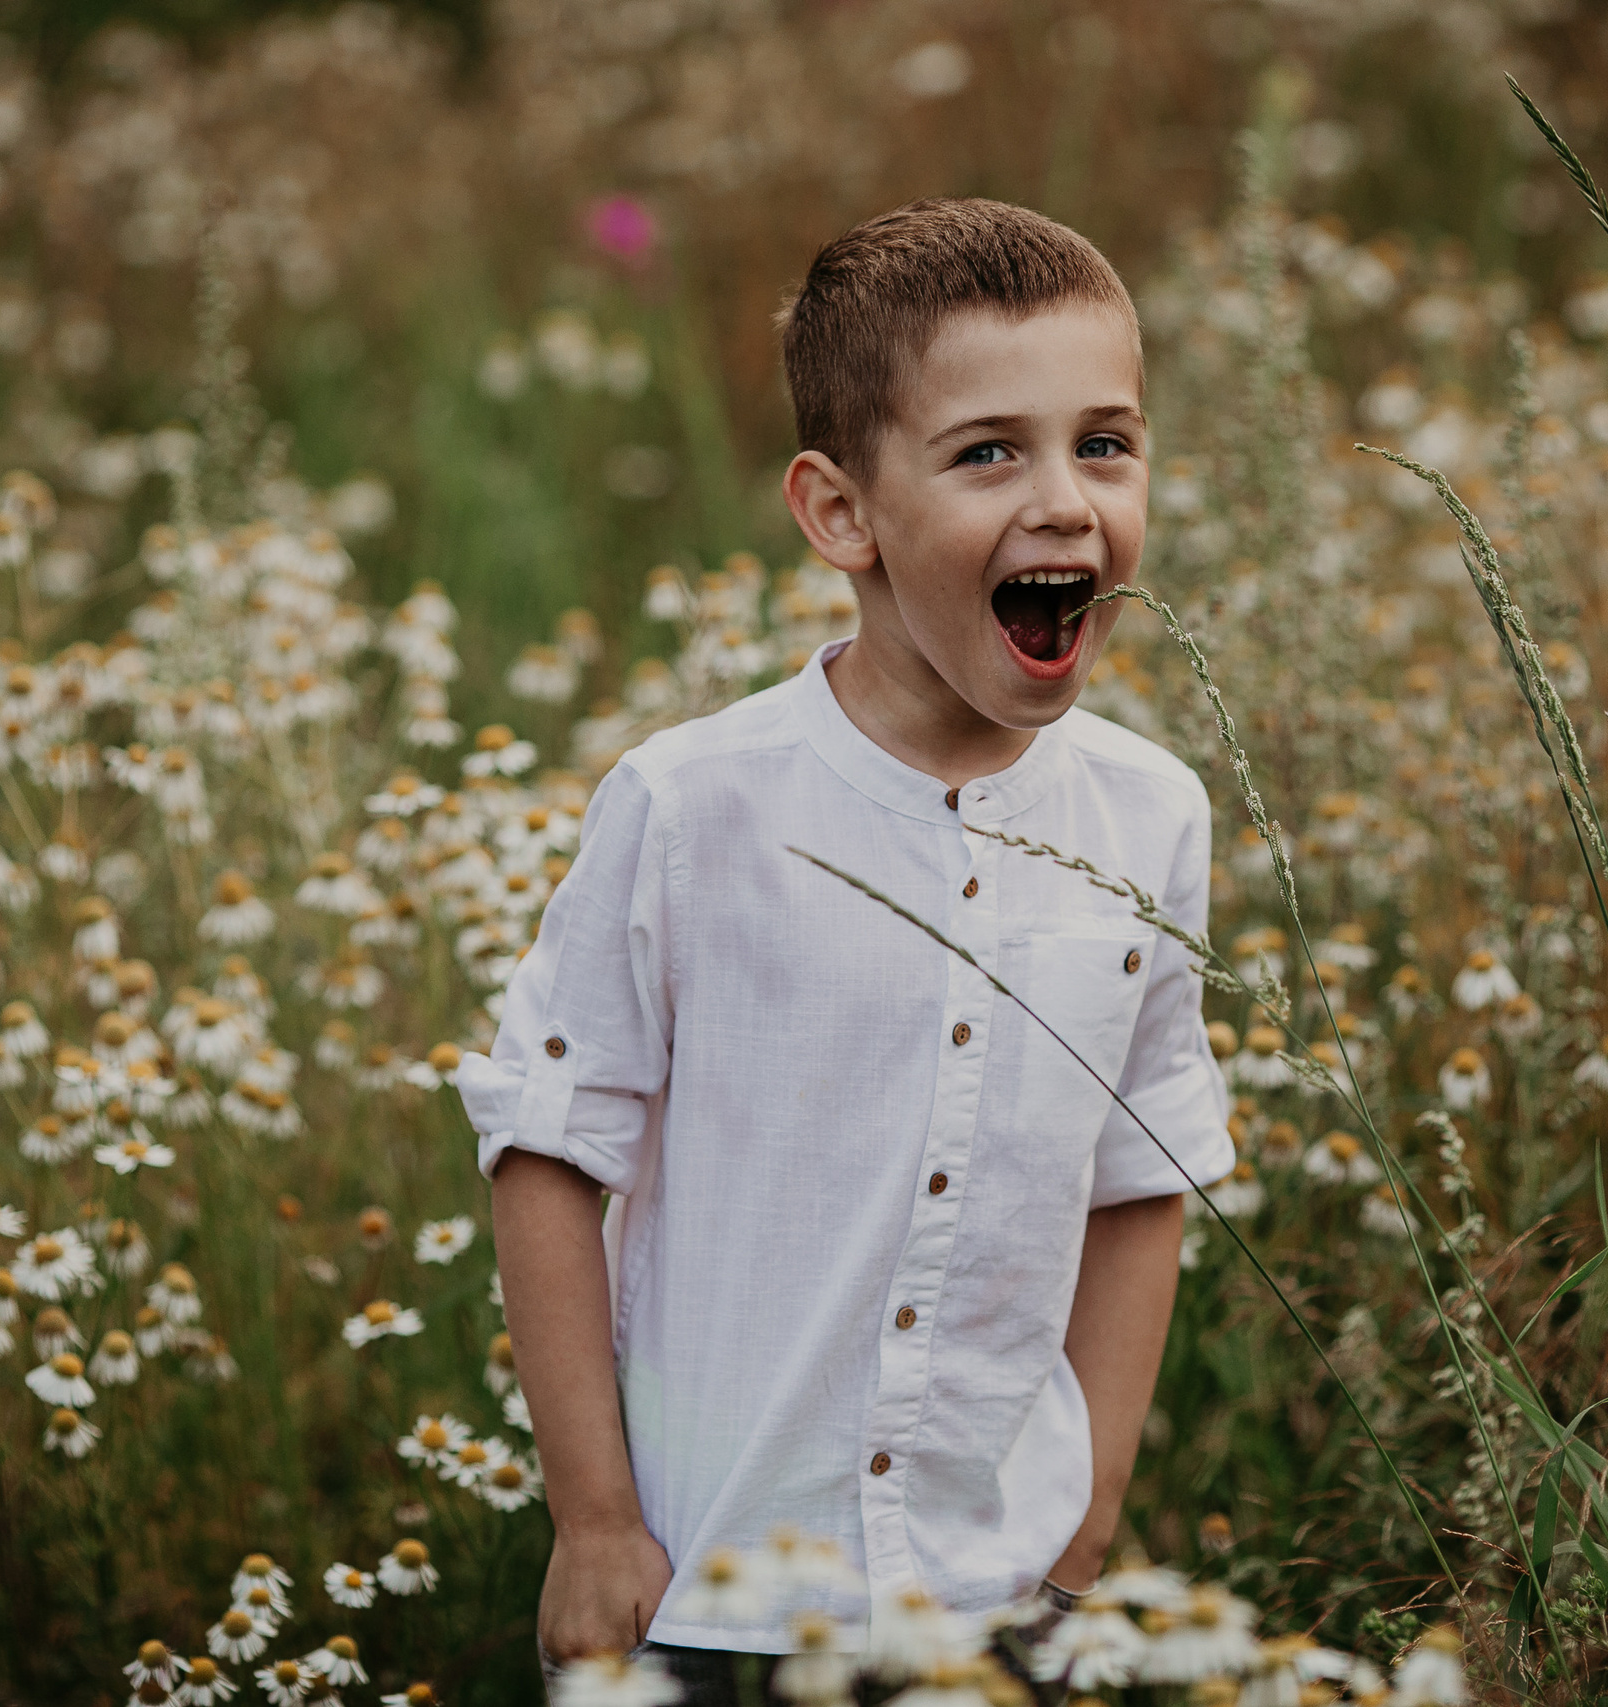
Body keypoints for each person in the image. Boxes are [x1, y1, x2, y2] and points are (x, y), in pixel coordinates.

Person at [458, 197, 1232, 1703]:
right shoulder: (694, 809)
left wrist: (1085, 1525)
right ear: (840, 515)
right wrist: (596, 1520)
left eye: (1107, 442)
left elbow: (1145, 1173)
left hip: (998, 1599)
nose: (1068, 501)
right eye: (990, 451)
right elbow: (550, 1152)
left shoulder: (1150, 815)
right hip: (709, 1595)